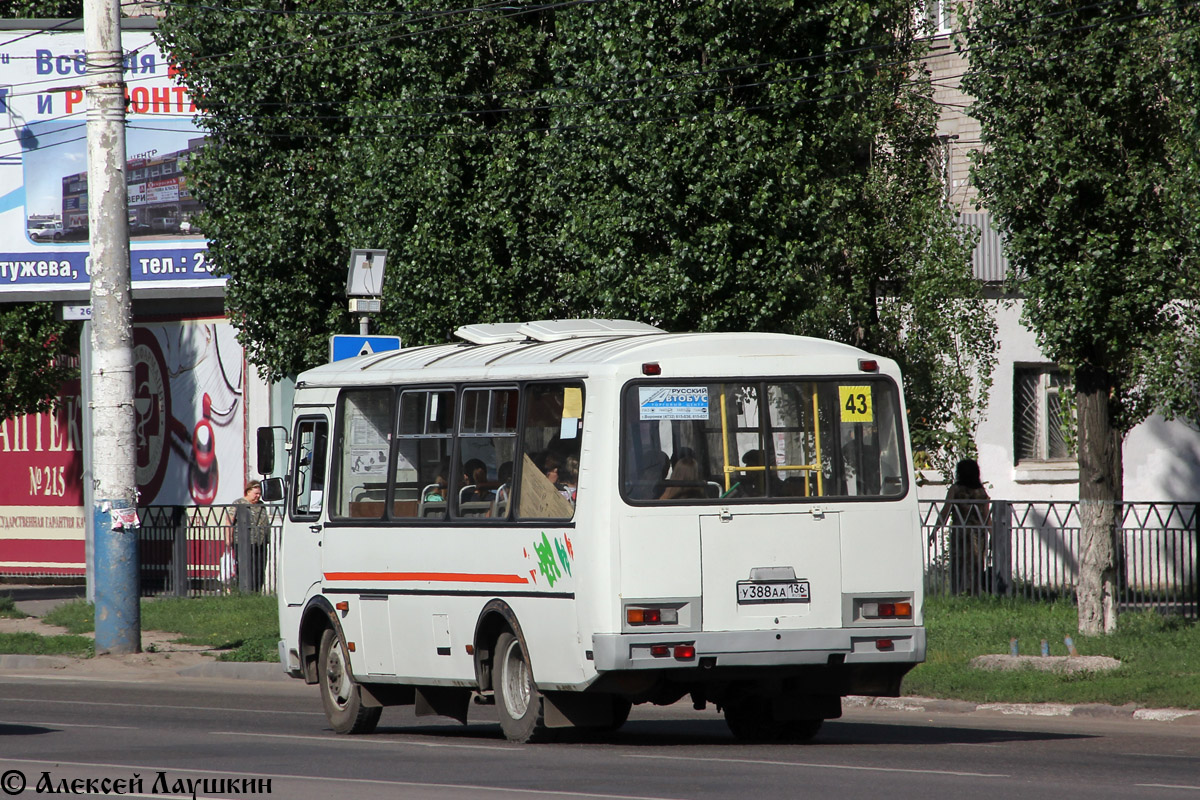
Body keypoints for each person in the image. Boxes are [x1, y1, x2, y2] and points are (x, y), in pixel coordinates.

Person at [934, 459, 991, 595]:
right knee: (977, 564)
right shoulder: (981, 492)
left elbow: (945, 511)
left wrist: (935, 530)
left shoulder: (956, 489)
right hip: (979, 534)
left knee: (959, 564)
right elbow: (986, 516)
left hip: (961, 534)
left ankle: (958, 592)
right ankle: (974, 592)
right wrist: (993, 534)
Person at [227, 480, 271, 593]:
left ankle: (257, 591)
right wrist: (229, 538)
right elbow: (229, 521)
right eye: (255, 493)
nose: (258, 496)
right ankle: (244, 591)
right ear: (248, 491)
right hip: (243, 542)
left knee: (259, 567)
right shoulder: (239, 503)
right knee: (245, 567)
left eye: (259, 494)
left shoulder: (261, 505)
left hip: (260, 542)